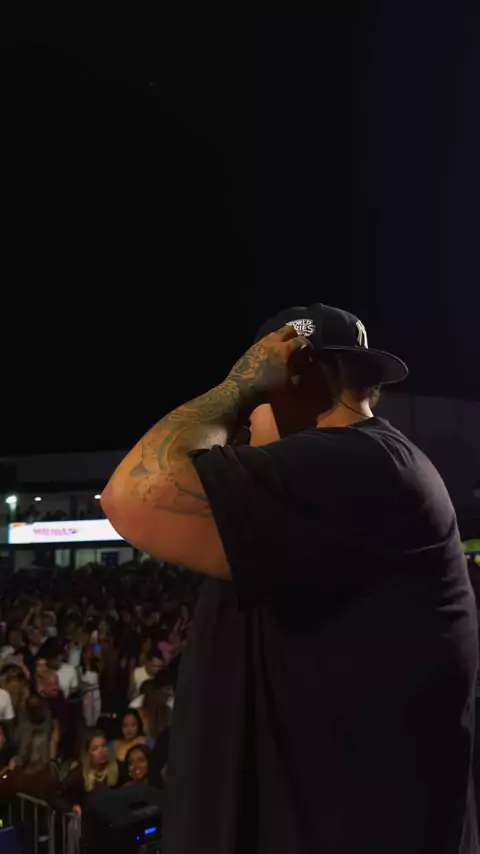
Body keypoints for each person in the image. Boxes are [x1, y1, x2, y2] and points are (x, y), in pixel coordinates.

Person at [102, 303, 479, 854]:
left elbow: (132, 498)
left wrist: (239, 385)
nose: (242, 424)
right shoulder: (379, 467)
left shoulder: (354, 466)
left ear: (293, 375)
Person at [55, 729, 119, 814]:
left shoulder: (118, 768)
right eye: (95, 749)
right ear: (88, 753)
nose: (101, 751)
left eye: (104, 746)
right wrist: (71, 807)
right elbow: (56, 796)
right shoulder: (79, 774)